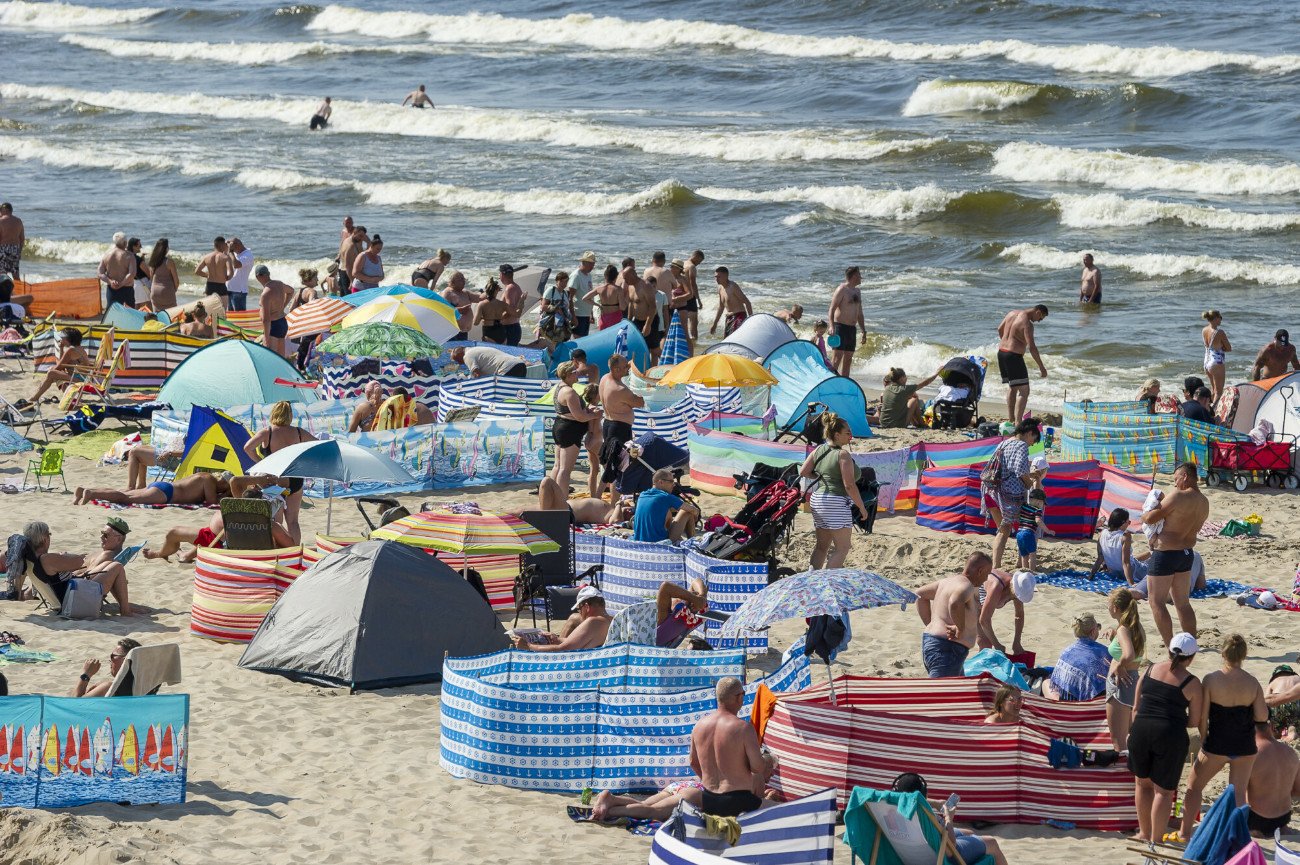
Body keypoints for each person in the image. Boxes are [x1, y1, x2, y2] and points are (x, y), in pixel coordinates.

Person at [1177, 634, 1268, 841]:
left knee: (1193, 787)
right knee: (1238, 795)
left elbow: (1202, 717)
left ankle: (1184, 832)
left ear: (1222, 653)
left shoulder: (1211, 679)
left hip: (1217, 744)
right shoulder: (1252, 682)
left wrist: (1203, 740)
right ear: (1244, 655)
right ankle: (1235, 837)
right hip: (1245, 745)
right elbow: (1262, 716)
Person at [1128, 633, 1204, 844]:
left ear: (1169, 650)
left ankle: (1143, 833)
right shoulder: (1192, 683)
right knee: (1163, 791)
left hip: (1141, 730)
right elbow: (1194, 721)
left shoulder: (1150, 669)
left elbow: (1136, 707)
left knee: (1142, 784)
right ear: (1191, 657)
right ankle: (1156, 839)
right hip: (1169, 734)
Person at [1141, 461, 1208, 648]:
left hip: (1166, 554)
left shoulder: (1178, 496)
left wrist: (1145, 513)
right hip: (1187, 554)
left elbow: (1151, 518)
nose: (1175, 483)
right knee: (1183, 603)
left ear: (1185, 476)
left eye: (1176, 479)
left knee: (1156, 602)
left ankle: (1171, 645)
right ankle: (1190, 645)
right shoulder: (1204, 502)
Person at [144, 487, 295, 562]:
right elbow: (291, 547)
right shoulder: (269, 525)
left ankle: (159, 554)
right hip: (243, 550)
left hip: (218, 547)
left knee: (173, 532)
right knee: (209, 536)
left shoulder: (231, 515)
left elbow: (235, 481)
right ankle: (186, 555)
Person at [799, 412, 868, 569]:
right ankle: (827, 583)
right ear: (836, 435)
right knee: (842, 548)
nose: (851, 435)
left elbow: (803, 471)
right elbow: (849, 485)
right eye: (847, 433)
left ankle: (812, 579)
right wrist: (861, 507)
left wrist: (821, 476)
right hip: (835, 502)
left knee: (821, 547)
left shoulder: (819, 449)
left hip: (818, 499)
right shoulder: (842, 454)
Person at [889, 773, 1009, 865]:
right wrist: (948, 818)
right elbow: (950, 848)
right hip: (941, 853)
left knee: (970, 833)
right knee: (992, 842)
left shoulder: (891, 807)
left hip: (913, 851)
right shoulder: (925, 817)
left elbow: (912, 799)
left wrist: (935, 803)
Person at [690, 677, 766, 817]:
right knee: (784, 811)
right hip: (738, 801)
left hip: (709, 800)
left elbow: (693, 762)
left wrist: (710, 781)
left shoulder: (699, 726)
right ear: (739, 697)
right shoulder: (743, 728)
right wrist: (765, 760)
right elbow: (757, 767)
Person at [20, 521, 132, 615]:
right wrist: (64, 556)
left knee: (108, 565)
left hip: (66, 597)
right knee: (117, 566)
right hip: (74, 600)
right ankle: (126, 611)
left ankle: (125, 607)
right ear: (44, 539)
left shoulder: (32, 560)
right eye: (49, 534)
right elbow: (79, 562)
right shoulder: (46, 559)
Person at [244, 401, 314, 543]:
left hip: (274, 479)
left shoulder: (267, 432)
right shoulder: (299, 432)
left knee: (277, 520)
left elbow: (247, 447)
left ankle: (281, 550)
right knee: (293, 521)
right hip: (295, 478)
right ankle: (295, 550)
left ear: (274, 413)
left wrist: (261, 463)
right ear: (290, 415)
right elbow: (317, 445)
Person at [915, 552, 989, 678]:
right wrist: (960, 629)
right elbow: (955, 603)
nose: (986, 579)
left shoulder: (946, 582)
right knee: (939, 694)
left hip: (935, 643)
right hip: (947, 649)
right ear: (980, 571)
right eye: (987, 574)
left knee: (957, 690)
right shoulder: (966, 586)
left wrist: (932, 624)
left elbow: (920, 595)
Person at [987, 417, 1041, 570]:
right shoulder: (1021, 445)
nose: (1032, 444)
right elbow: (1020, 471)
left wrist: (1029, 472)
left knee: (1002, 531)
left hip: (992, 492)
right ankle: (1002, 566)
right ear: (1029, 433)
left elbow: (1008, 466)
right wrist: (1031, 485)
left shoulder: (1004, 442)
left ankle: (997, 565)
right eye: (1034, 440)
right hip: (1008, 495)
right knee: (1023, 526)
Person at [1103, 586, 1146, 752]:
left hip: (1120, 685)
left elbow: (1129, 654)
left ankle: (1122, 776)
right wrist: (1114, 635)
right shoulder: (1135, 626)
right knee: (1129, 736)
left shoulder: (1124, 629)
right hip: (1132, 680)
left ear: (1115, 608)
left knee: (1118, 742)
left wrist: (1119, 666)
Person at [550, 361, 602, 493]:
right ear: (567, 375)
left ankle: (551, 494)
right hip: (569, 431)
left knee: (558, 466)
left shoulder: (559, 387)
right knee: (565, 470)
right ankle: (561, 500)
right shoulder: (569, 392)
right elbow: (580, 417)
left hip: (561, 427)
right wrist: (595, 415)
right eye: (574, 372)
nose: (577, 373)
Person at [597, 354, 644, 494]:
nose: (628, 368)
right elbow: (640, 403)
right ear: (616, 369)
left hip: (608, 424)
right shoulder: (619, 389)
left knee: (611, 466)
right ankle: (612, 503)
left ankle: (600, 497)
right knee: (618, 467)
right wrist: (642, 392)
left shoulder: (604, 378)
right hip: (619, 429)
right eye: (625, 367)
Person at [513, 585, 611, 651]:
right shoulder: (610, 620)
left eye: (579, 609)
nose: (580, 613)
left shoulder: (593, 622)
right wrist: (557, 639)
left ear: (586, 607)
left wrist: (529, 646)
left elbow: (563, 650)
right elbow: (576, 642)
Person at [996, 304, 1049, 423]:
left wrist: (1007, 342)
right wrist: (1042, 367)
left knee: (1013, 387)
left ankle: (1011, 419)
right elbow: (1032, 347)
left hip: (1002, 353)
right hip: (1013, 356)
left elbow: (1000, 329)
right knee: (1024, 391)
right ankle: (1018, 423)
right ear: (1038, 312)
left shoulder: (1011, 313)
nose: (1039, 321)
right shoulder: (1027, 323)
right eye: (1041, 318)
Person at [1245, 722, 1300, 836]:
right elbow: (1297, 790)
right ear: (1271, 726)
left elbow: (1237, 792)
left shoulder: (1251, 753)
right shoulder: (1291, 753)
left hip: (1255, 819)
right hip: (1283, 818)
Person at [1043, 613, 1111, 702]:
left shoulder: (1066, 651)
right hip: (1090, 705)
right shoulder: (1104, 652)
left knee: (1046, 682)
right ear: (1093, 631)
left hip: (1067, 703)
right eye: (1098, 627)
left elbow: (1057, 682)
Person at [16, 327, 89, 408]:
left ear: (68, 339)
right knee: (52, 372)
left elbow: (59, 367)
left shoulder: (71, 350)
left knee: (51, 372)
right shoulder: (78, 348)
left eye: (63, 338)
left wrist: (49, 374)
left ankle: (35, 397)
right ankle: (36, 396)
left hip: (79, 378)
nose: (61, 339)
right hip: (81, 377)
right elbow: (62, 365)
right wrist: (61, 348)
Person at [75, 471, 227, 507]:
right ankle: (92, 493)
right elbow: (212, 502)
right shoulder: (210, 480)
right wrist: (226, 495)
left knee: (125, 492)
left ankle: (84, 490)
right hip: (166, 493)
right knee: (126, 499)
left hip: (162, 485)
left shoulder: (203, 475)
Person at [1089, 509, 1151, 595]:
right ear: (1122, 522)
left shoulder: (1102, 533)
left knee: (1144, 556)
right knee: (1152, 560)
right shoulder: (1125, 536)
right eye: (1128, 522)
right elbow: (1126, 563)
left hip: (1114, 572)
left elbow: (1100, 558)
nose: (1129, 524)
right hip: (1133, 571)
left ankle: (1149, 554)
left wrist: (1091, 575)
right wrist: (1131, 583)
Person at [976, 568, 1035, 656]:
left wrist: (1017, 642)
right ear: (1013, 589)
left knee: (988, 640)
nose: (1018, 599)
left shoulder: (1019, 588)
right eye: (1016, 596)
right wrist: (997, 645)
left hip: (988, 597)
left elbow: (1019, 615)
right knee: (985, 643)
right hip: (973, 594)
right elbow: (984, 620)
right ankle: (980, 668)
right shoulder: (996, 587)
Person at [632, 469, 699, 543]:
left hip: (639, 541)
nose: (673, 484)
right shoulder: (665, 497)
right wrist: (695, 516)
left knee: (666, 511)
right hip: (658, 543)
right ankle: (693, 543)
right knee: (686, 512)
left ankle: (683, 539)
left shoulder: (642, 495)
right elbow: (693, 510)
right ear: (661, 482)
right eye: (671, 482)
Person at [827, 266, 865, 377]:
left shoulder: (858, 291)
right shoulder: (842, 289)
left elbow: (860, 313)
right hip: (840, 327)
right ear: (854, 276)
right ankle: (829, 382)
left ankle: (844, 384)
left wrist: (864, 331)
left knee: (848, 360)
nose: (861, 277)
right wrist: (831, 326)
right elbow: (832, 308)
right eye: (859, 275)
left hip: (852, 329)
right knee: (836, 359)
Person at [73, 638, 142, 697]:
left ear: (126, 660)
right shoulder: (146, 686)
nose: (110, 660)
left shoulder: (108, 688)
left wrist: (86, 674)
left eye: (113, 656)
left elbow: (73, 704)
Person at [254, 265, 293, 357]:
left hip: (273, 326)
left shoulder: (265, 294)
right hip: (282, 322)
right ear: (269, 274)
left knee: (272, 357)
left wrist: (266, 339)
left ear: (258, 277)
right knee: (281, 357)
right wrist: (282, 307)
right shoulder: (279, 284)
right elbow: (291, 291)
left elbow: (266, 319)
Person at [291, 268, 323, 371]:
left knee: (305, 344)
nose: (317, 280)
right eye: (315, 278)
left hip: (303, 322)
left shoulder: (299, 292)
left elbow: (292, 309)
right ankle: (309, 365)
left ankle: (300, 365)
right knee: (313, 342)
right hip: (312, 322)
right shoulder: (312, 291)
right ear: (309, 280)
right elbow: (312, 305)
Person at [1015, 487, 1053, 572]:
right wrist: (1047, 530)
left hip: (1019, 533)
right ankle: (1032, 571)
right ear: (1039, 502)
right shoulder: (1037, 510)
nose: (1042, 505)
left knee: (1024, 555)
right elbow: (1038, 520)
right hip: (1028, 533)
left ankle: (1025, 570)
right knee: (1032, 554)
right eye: (1043, 503)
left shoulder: (1024, 506)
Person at [709, 266, 752, 338]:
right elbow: (721, 307)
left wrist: (751, 320)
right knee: (727, 340)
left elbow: (747, 302)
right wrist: (715, 324)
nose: (716, 279)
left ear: (726, 276)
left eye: (719, 277)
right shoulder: (720, 288)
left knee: (734, 339)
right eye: (715, 277)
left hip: (739, 316)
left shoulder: (733, 287)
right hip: (729, 318)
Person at [98, 232, 137, 309]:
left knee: (113, 314)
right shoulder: (129, 255)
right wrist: (121, 284)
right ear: (125, 242)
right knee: (129, 314)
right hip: (126, 289)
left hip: (112, 289)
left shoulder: (107, 254)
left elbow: (99, 273)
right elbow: (132, 274)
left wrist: (110, 281)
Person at [195, 236, 234, 309]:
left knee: (209, 311)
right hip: (221, 286)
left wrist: (207, 275)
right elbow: (231, 273)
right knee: (223, 313)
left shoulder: (206, 257)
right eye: (225, 245)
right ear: (222, 245)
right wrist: (227, 278)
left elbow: (197, 271)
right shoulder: (225, 257)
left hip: (210, 286)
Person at [1201, 310, 1232, 404]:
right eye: (1220, 318)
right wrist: (1222, 347)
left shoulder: (1204, 330)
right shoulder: (1219, 332)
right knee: (1219, 392)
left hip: (1207, 361)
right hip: (1217, 362)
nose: (1221, 320)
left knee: (1213, 389)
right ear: (1215, 318)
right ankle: (1213, 413)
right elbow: (1229, 348)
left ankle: (1207, 408)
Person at [584, 263, 626, 330]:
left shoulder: (599, 288)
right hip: (616, 319)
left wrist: (597, 305)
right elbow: (623, 307)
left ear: (605, 276)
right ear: (616, 276)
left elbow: (584, 298)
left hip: (603, 319)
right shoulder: (618, 289)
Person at [440, 271, 480, 340]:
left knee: (462, 350)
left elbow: (479, 298)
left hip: (464, 332)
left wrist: (489, 292)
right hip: (453, 332)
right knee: (454, 350)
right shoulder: (448, 292)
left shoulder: (465, 292)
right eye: (460, 279)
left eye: (463, 279)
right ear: (453, 282)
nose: (463, 281)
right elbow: (444, 310)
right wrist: (459, 310)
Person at [538, 270, 574, 346]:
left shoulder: (566, 293)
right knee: (548, 345)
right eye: (561, 281)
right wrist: (556, 308)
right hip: (549, 324)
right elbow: (543, 307)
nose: (564, 284)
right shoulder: (551, 290)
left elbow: (567, 309)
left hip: (562, 325)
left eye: (565, 282)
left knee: (560, 344)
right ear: (557, 281)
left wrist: (572, 318)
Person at [449, 344, 526, 378]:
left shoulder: (467, 356)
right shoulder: (476, 349)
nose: (459, 363)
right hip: (520, 364)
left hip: (507, 368)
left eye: (457, 360)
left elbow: (477, 376)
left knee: (503, 394)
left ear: (460, 355)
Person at [1266, 665, 1300, 742]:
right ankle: (1293, 729)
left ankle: (1277, 733)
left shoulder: (1273, 682)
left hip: (1278, 701)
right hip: (1296, 700)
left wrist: (1270, 721)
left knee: (1276, 729)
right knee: (1295, 719)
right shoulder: (1297, 678)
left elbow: (1267, 702)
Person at [473, 278, 510, 344]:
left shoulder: (482, 304)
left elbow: (475, 323)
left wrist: (482, 318)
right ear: (497, 290)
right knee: (502, 353)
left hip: (489, 333)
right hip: (501, 331)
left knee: (490, 353)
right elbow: (513, 313)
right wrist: (501, 318)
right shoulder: (502, 304)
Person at [146, 238, 180, 311]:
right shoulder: (169, 262)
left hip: (155, 291)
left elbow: (151, 278)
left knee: (158, 315)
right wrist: (174, 290)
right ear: (166, 249)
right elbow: (176, 281)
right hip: (167, 291)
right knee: (171, 315)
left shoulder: (152, 262)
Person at [221, 237, 252, 312]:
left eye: (232, 248)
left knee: (240, 317)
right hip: (229, 289)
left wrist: (231, 252)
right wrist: (225, 250)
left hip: (238, 291)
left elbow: (236, 265)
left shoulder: (247, 255)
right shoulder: (235, 253)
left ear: (238, 245)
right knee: (231, 317)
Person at [498, 264, 525, 346]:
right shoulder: (515, 287)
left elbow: (510, 311)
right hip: (513, 328)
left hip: (509, 329)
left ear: (502, 274)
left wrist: (496, 319)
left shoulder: (509, 288)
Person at [571, 252, 596, 337]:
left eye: (593, 264)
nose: (592, 267)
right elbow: (569, 298)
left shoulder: (589, 275)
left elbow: (589, 295)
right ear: (584, 262)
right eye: (590, 264)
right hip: (578, 314)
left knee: (584, 340)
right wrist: (573, 316)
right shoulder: (576, 276)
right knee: (578, 341)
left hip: (586, 314)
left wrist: (591, 313)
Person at [337, 224, 366, 292]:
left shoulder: (346, 240)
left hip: (342, 271)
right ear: (354, 232)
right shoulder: (351, 245)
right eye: (360, 236)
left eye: (362, 237)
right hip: (347, 275)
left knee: (344, 297)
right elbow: (348, 265)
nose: (361, 239)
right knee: (350, 299)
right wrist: (351, 281)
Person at [0, 202, 25, 279]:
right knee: (16, 274)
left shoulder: (1, 221)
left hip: (3, 248)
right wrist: (19, 251)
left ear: (5, 210)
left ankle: (5, 290)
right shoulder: (18, 221)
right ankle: (19, 290)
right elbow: (22, 238)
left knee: (2, 275)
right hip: (15, 249)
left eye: (1, 210)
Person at [128, 237, 150, 303]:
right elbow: (148, 273)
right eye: (139, 245)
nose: (141, 247)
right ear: (134, 247)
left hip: (134, 284)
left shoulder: (127, 257)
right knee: (148, 305)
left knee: (137, 305)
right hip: (143, 285)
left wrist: (141, 259)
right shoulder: (138, 260)